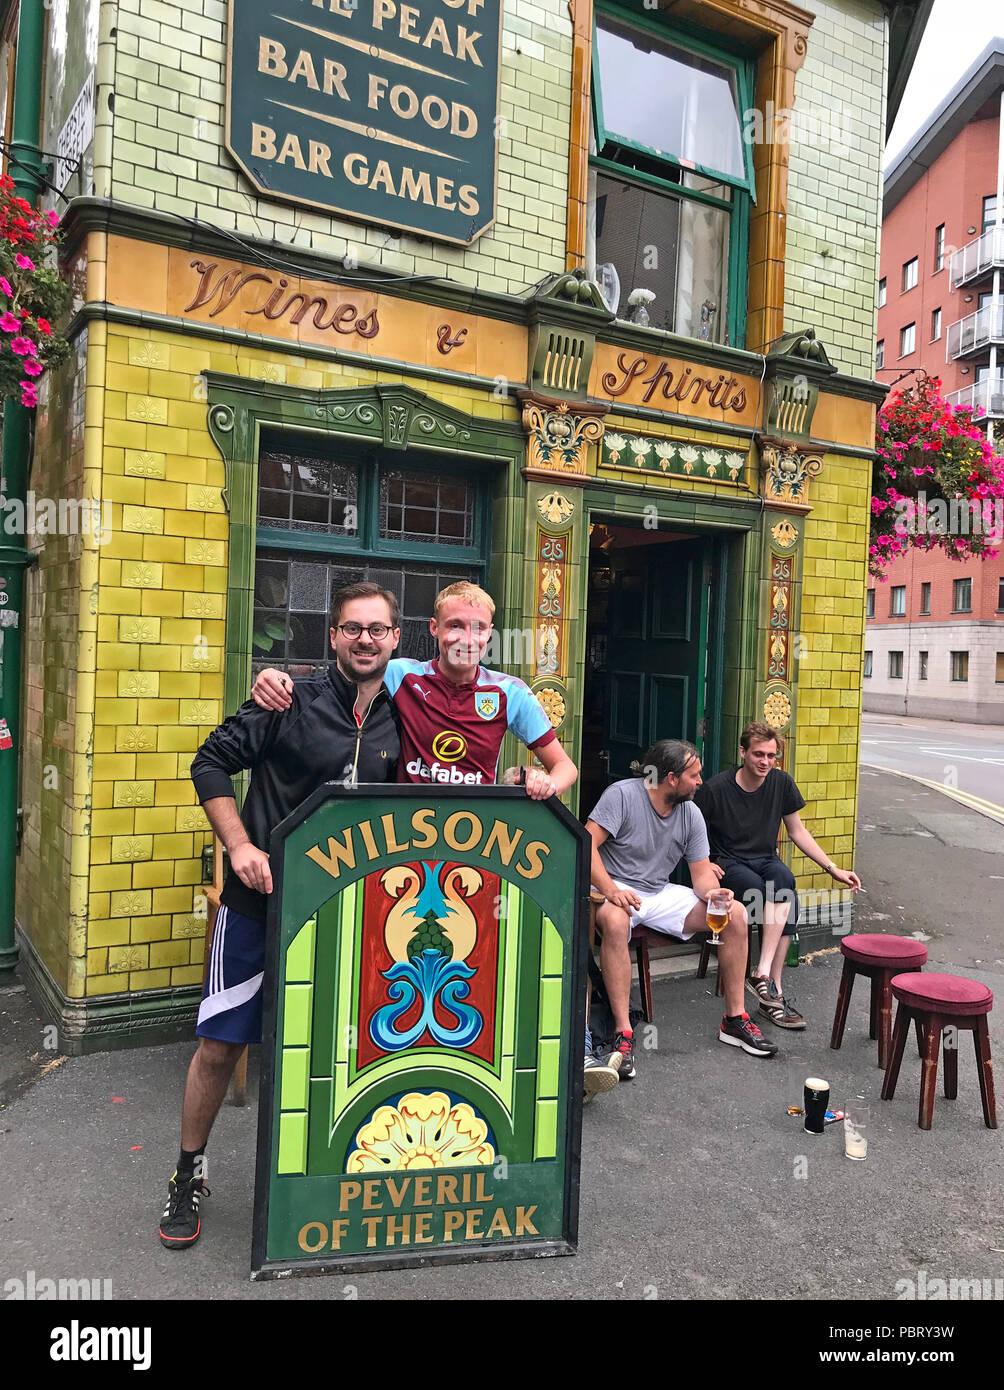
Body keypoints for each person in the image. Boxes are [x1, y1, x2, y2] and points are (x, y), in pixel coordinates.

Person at [159, 582, 402, 1250]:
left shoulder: (402, 713)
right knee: (219, 1046)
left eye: (377, 629)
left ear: (396, 639)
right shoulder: (288, 698)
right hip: (257, 906)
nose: (364, 639)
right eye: (353, 628)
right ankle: (188, 1173)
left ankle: (323, 1181)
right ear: (333, 636)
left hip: (347, 914)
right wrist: (238, 846)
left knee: (334, 1049)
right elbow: (208, 762)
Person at [587, 739, 779, 1080]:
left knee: (735, 914)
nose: (701, 782)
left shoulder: (690, 812)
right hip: (615, 889)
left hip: (659, 892)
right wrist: (611, 890)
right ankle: (622, 1034)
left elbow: (701, 873)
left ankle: (734, 1019)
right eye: (695, 775)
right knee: (615, 923)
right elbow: (585, 845)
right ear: (672, 778)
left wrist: (714, 893)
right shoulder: (622, 795)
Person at [694, 721, 862, 1030]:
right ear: (742, 752)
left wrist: (833, 868)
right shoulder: (716, 789)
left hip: (764, 858)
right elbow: (688, 829)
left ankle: (763, 976)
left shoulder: (781, 783)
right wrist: (704, 863)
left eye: (772, 756)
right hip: (730, 864)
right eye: (759, 754)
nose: (765, 762)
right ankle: (774, 992)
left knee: (784, 880)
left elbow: (797, 831)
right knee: (765, 891)